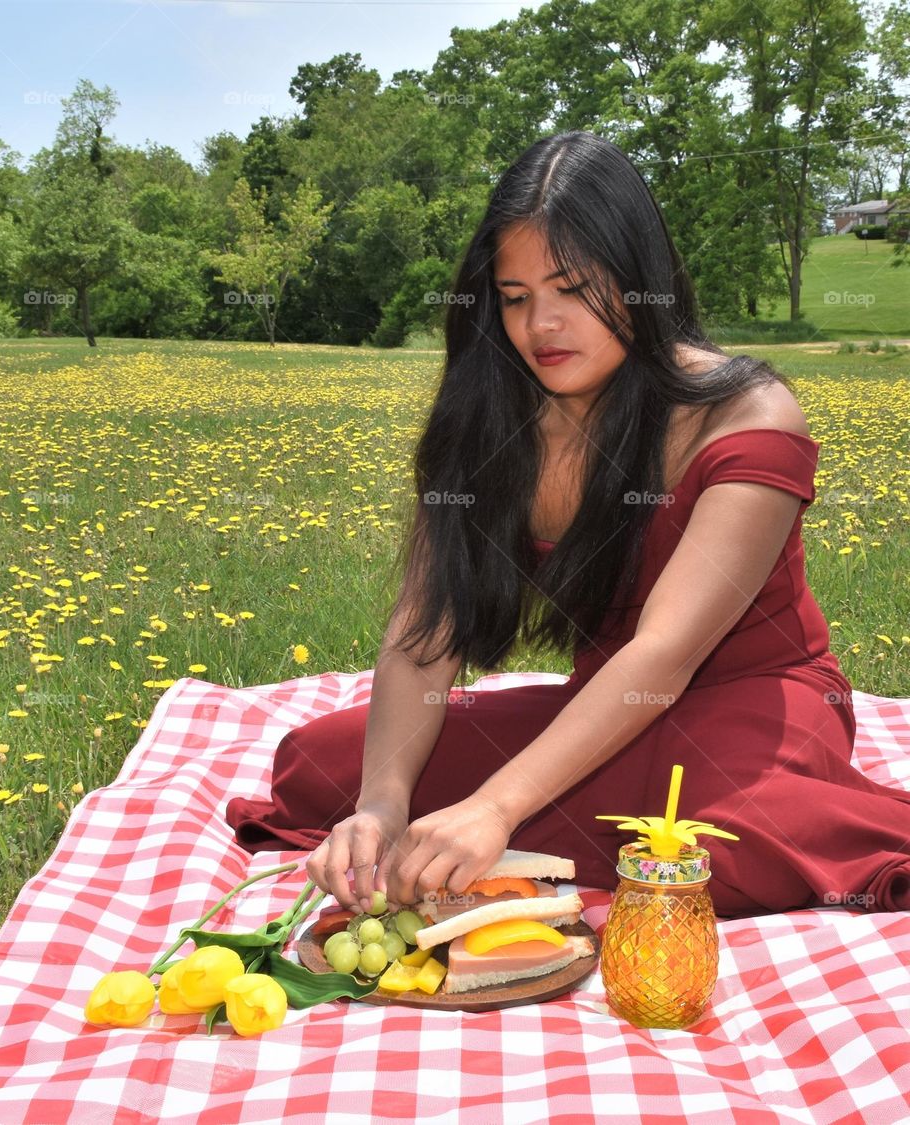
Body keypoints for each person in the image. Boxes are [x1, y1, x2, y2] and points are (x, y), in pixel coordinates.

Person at [226, 131, 910, 920]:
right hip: (606, 710)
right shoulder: (492, 422)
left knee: (709, 839)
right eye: (514, 297)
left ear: (635, 276)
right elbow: (426, 632)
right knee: (322, 766)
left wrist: (496, 804)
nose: (540, 325)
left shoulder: (743, 414)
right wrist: (382, 804)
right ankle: (511, 831)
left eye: (571, 289)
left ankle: (531, 833)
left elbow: (663, 653)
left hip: (753, 709)